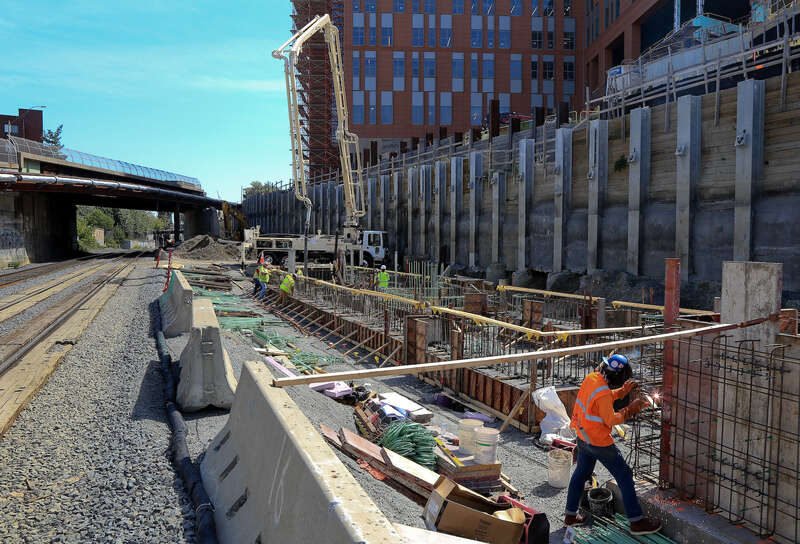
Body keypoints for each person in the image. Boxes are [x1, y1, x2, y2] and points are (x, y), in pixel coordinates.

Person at [563, 354, 662, 536]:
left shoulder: (592, 378)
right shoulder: (602, 390)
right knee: (624, 474)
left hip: (583, 436)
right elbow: (610, 418)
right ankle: (637, 521)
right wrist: (631, 408)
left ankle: (570, 515)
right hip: (598, 441)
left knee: (581, 474)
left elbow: (602, 400)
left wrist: (622, 392)